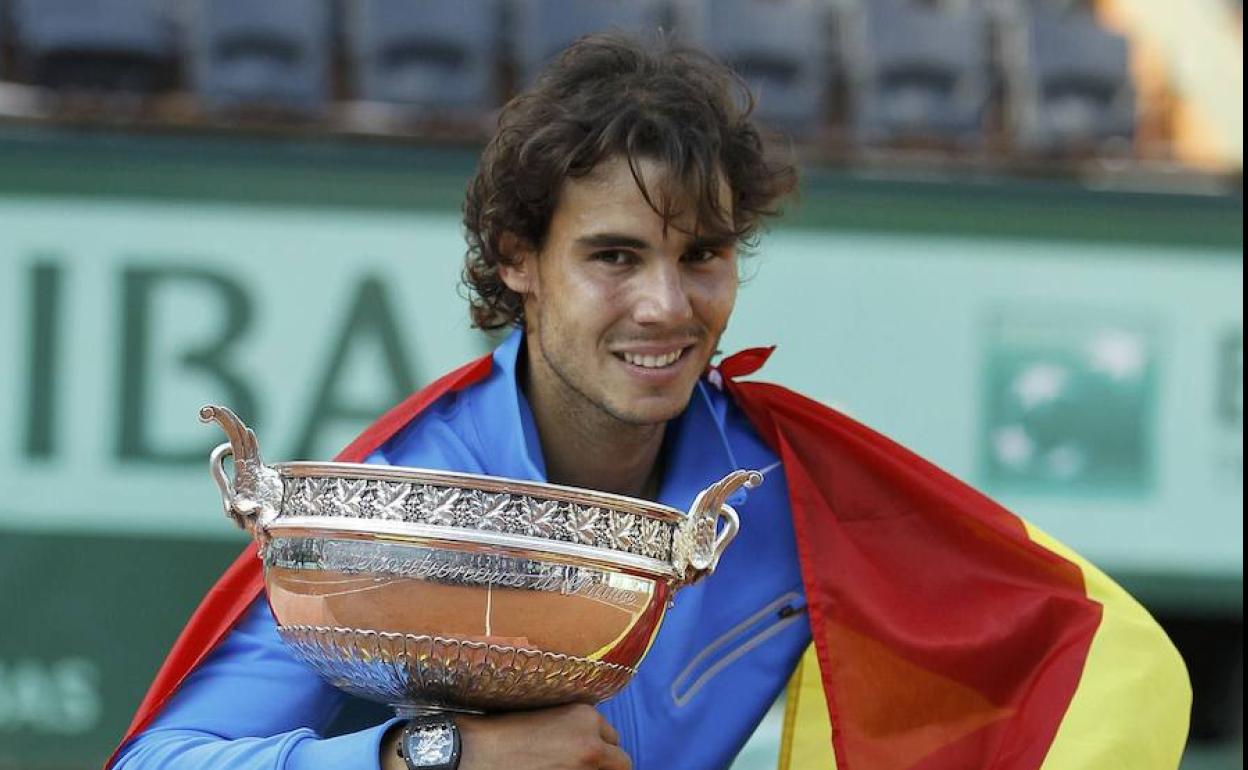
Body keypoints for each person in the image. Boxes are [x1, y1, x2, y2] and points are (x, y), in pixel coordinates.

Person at [110, 34, 1191, 770]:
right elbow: (162, 760)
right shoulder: (402, 494)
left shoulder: (798, 495)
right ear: (517, 258)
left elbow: (1084, 645)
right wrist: (441, 752)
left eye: (704, 254)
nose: (668, 306)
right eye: (615, 256)